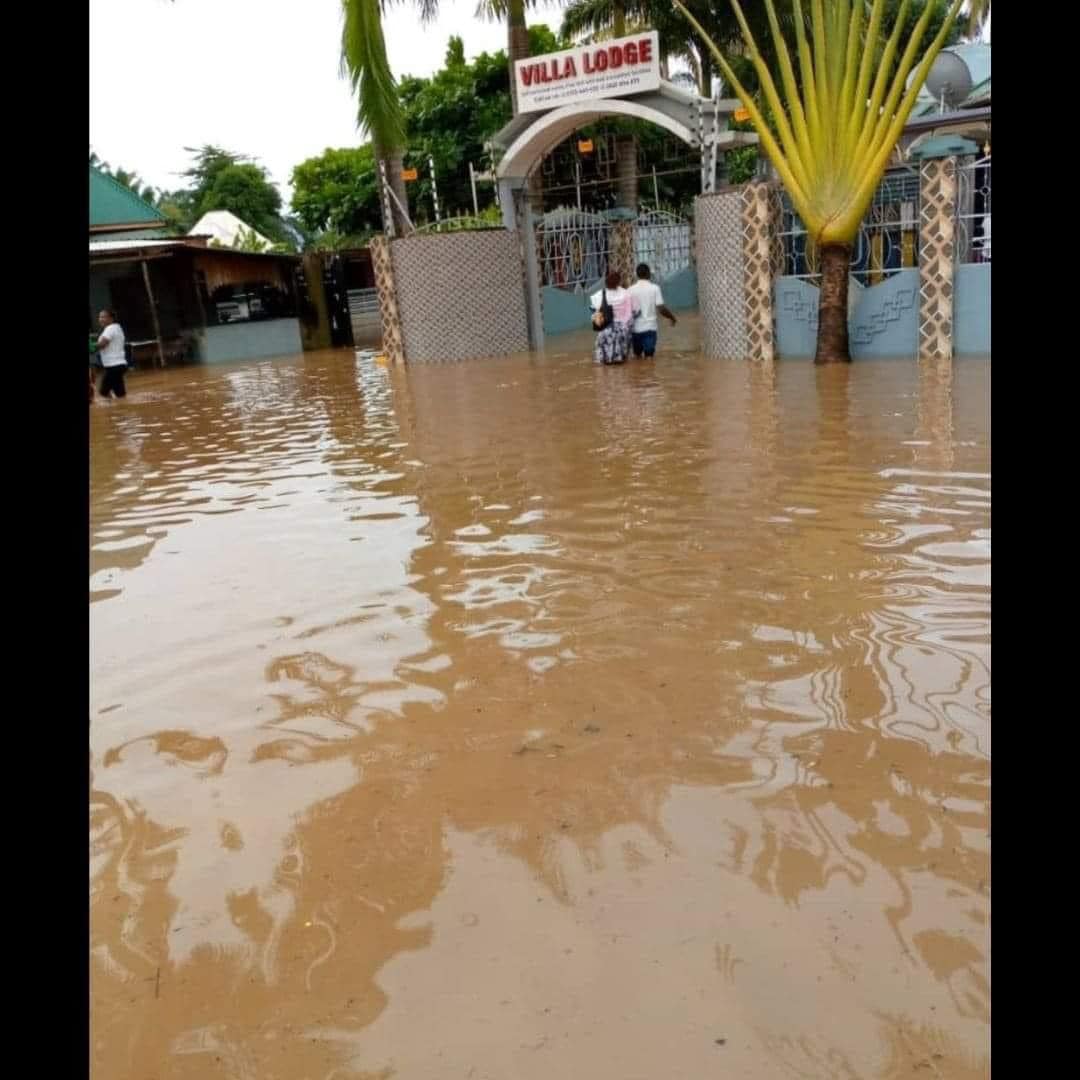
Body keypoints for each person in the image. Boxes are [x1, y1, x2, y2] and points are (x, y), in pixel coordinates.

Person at [628, 263, 677, 358]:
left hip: (635, 329)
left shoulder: (630, 290)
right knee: (649, 358)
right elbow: (661, 308)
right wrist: (672, 317)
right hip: (650, 328)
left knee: (637, 357)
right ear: (649, 274)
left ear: (637, 275)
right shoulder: (655, 288)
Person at [590, 270, 637, 365]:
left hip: (605, 330)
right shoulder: (625, 293)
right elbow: (631, 314)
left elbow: (594, 312)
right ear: (619, 281)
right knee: (621, 363)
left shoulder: (599, 294)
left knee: (604, 364)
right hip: (622, 331)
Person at [96, 309, 127, 399]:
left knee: (103, 391)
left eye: (103, 317)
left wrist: (92, 347)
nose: (100, 319)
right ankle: (123, 409)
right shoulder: (117, 328)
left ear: (111, 318)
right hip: (119, 365)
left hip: (114, 367)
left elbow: (102, 344)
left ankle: (112, 410)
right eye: (99, 317)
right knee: (120, 394)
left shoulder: (110, 328)